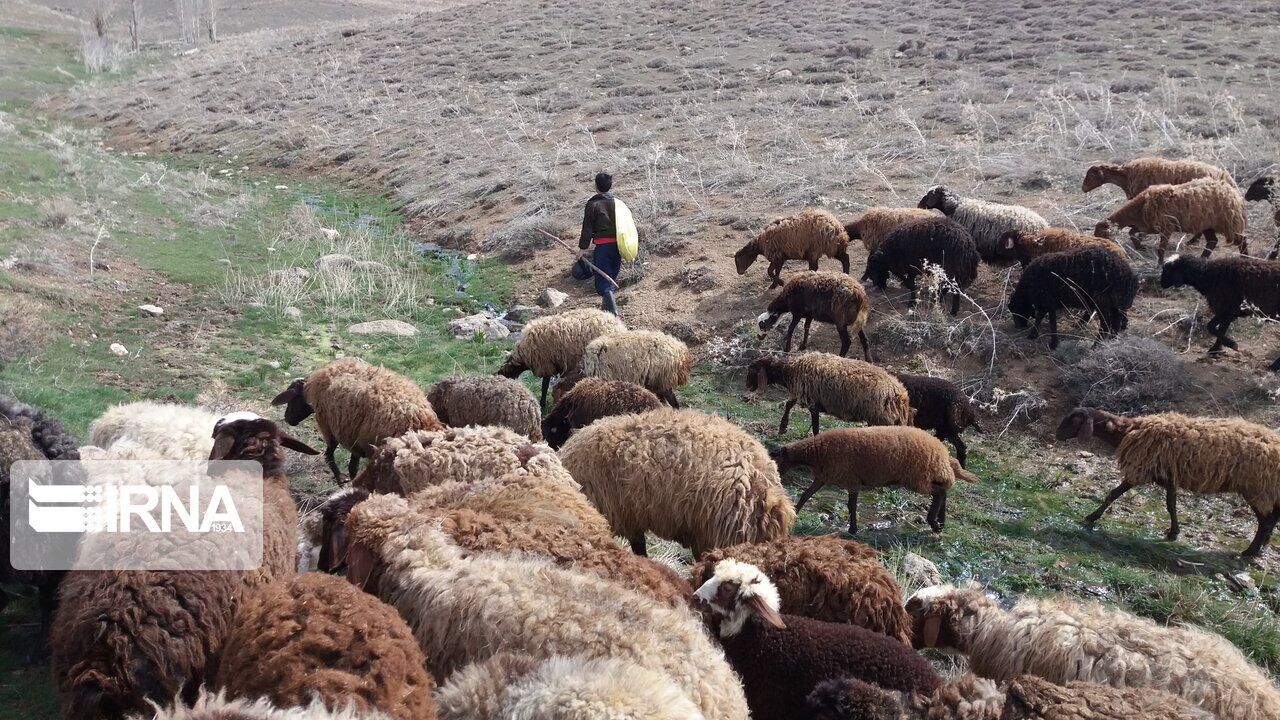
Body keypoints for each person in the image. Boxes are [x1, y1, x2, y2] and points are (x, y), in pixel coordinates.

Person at [576, 172, 622, 317]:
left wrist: (582, 249)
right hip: (619, 246)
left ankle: (614, 314)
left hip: (603, 247)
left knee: (604, 281)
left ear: (595, 186)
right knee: (611, 277)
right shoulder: (617, 203)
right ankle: (606, 311)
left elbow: (587, 228)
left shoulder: (592, 204)